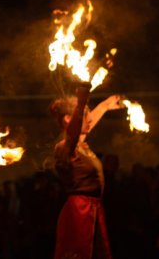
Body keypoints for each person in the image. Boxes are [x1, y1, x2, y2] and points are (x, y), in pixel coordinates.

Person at [50, 83, 122, 259]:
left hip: (94, 209)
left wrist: (104, 105)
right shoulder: (64, 148)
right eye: (85, 115)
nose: (89, 119)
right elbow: (73, 134)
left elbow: (81, 129)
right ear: (68, 119)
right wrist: (81, 102)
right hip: (79, 211)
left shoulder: (80, 144)